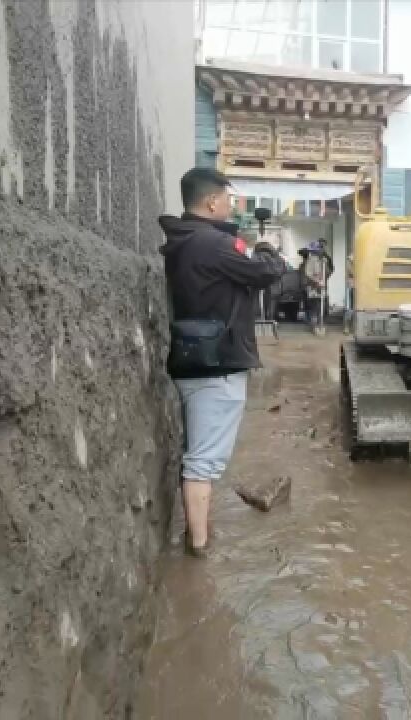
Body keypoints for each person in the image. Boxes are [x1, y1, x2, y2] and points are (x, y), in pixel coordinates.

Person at [159, 167, 286, 556]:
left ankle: (196, 532)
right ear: (212, 201)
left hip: (192, 359)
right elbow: (267, 272)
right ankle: (198, 548)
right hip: (218, 368)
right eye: (228, 200)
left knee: (198, 453)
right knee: (203, 462)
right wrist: (265, 249)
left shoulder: (183, 240)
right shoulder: (212, 243)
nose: (231, 206)